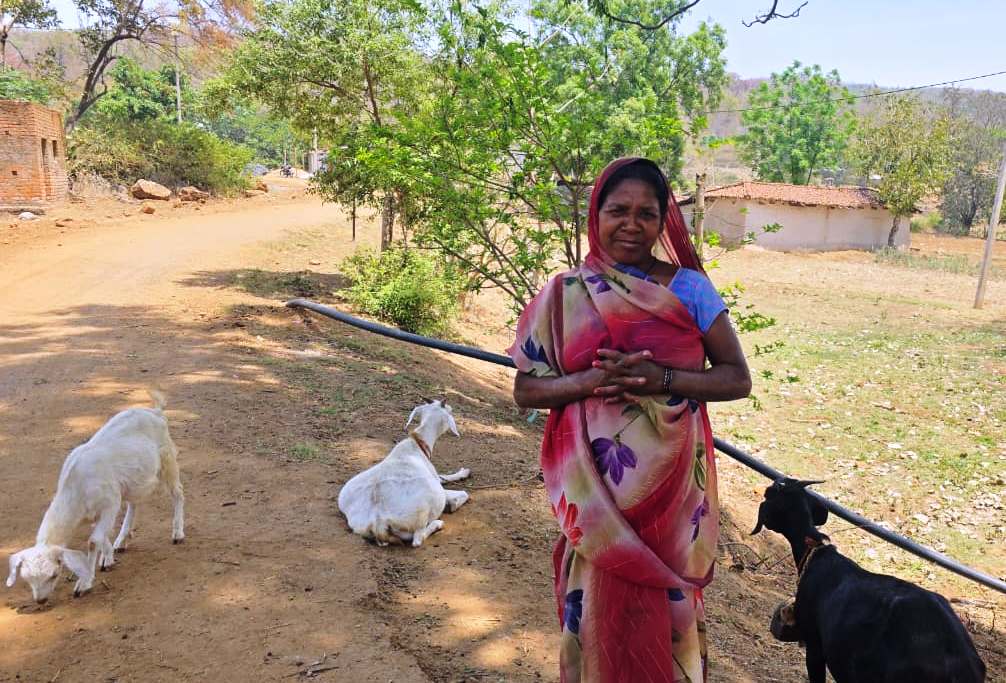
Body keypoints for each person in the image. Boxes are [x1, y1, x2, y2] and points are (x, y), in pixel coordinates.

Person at [510, 157, 751, 682]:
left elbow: (736, 378)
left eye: (646, 213)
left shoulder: (689, 290)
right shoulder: (565, 293)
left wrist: (662, 379)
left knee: (669, 608)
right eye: (618, 210)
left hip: (670, 496)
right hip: (597, 496)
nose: (631, 224)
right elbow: (526, 389)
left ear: (664, 220)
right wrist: (588, 384)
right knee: (597, 602)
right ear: (596, 215)